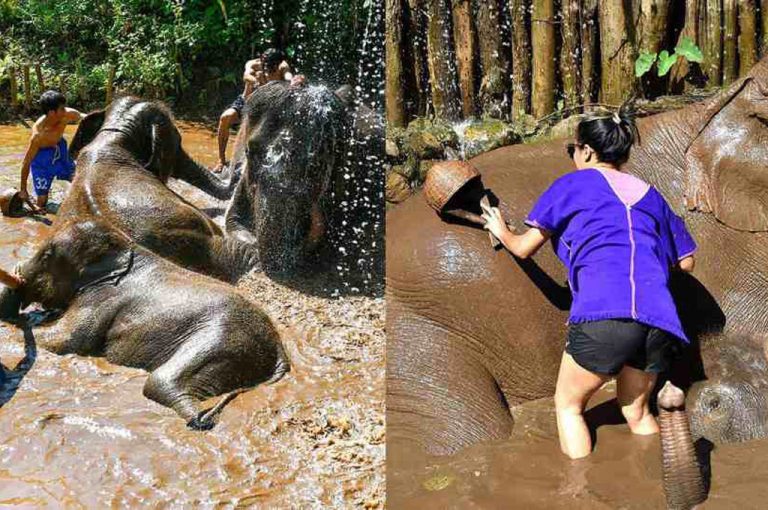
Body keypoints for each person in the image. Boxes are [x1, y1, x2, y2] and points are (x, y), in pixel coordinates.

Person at [481, 112, 697, 460]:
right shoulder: (651, 195)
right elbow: (687, 262)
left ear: (585, 152)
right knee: (637, 413)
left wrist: (499, 228)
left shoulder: (571, 185)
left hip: (603, 316)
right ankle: (661, 482)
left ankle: (579, 491)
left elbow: (523, 248)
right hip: (660, 320)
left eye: (573, 149)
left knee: (567, 406)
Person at [213, 49, 306, 173]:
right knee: (225, 117)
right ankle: (221, 160)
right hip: (247, 102)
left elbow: (288, 77)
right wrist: (258, 82)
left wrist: (294, 82)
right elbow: (246, 76)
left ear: (278, 64)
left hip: (268, 107)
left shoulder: (283, 66)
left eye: (273, 68)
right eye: (267, 68)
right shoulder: (253, 64)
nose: (269, 72)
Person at [19, 90, 84, 212]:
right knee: (42, 203)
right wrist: (23, 189)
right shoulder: (38, 135)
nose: (66, 111)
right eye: (62, 109)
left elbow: (86, 119)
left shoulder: (68, 115)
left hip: (60, 149)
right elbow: (26, 162)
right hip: (41, 159)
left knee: (78, 179)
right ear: (51, 112)